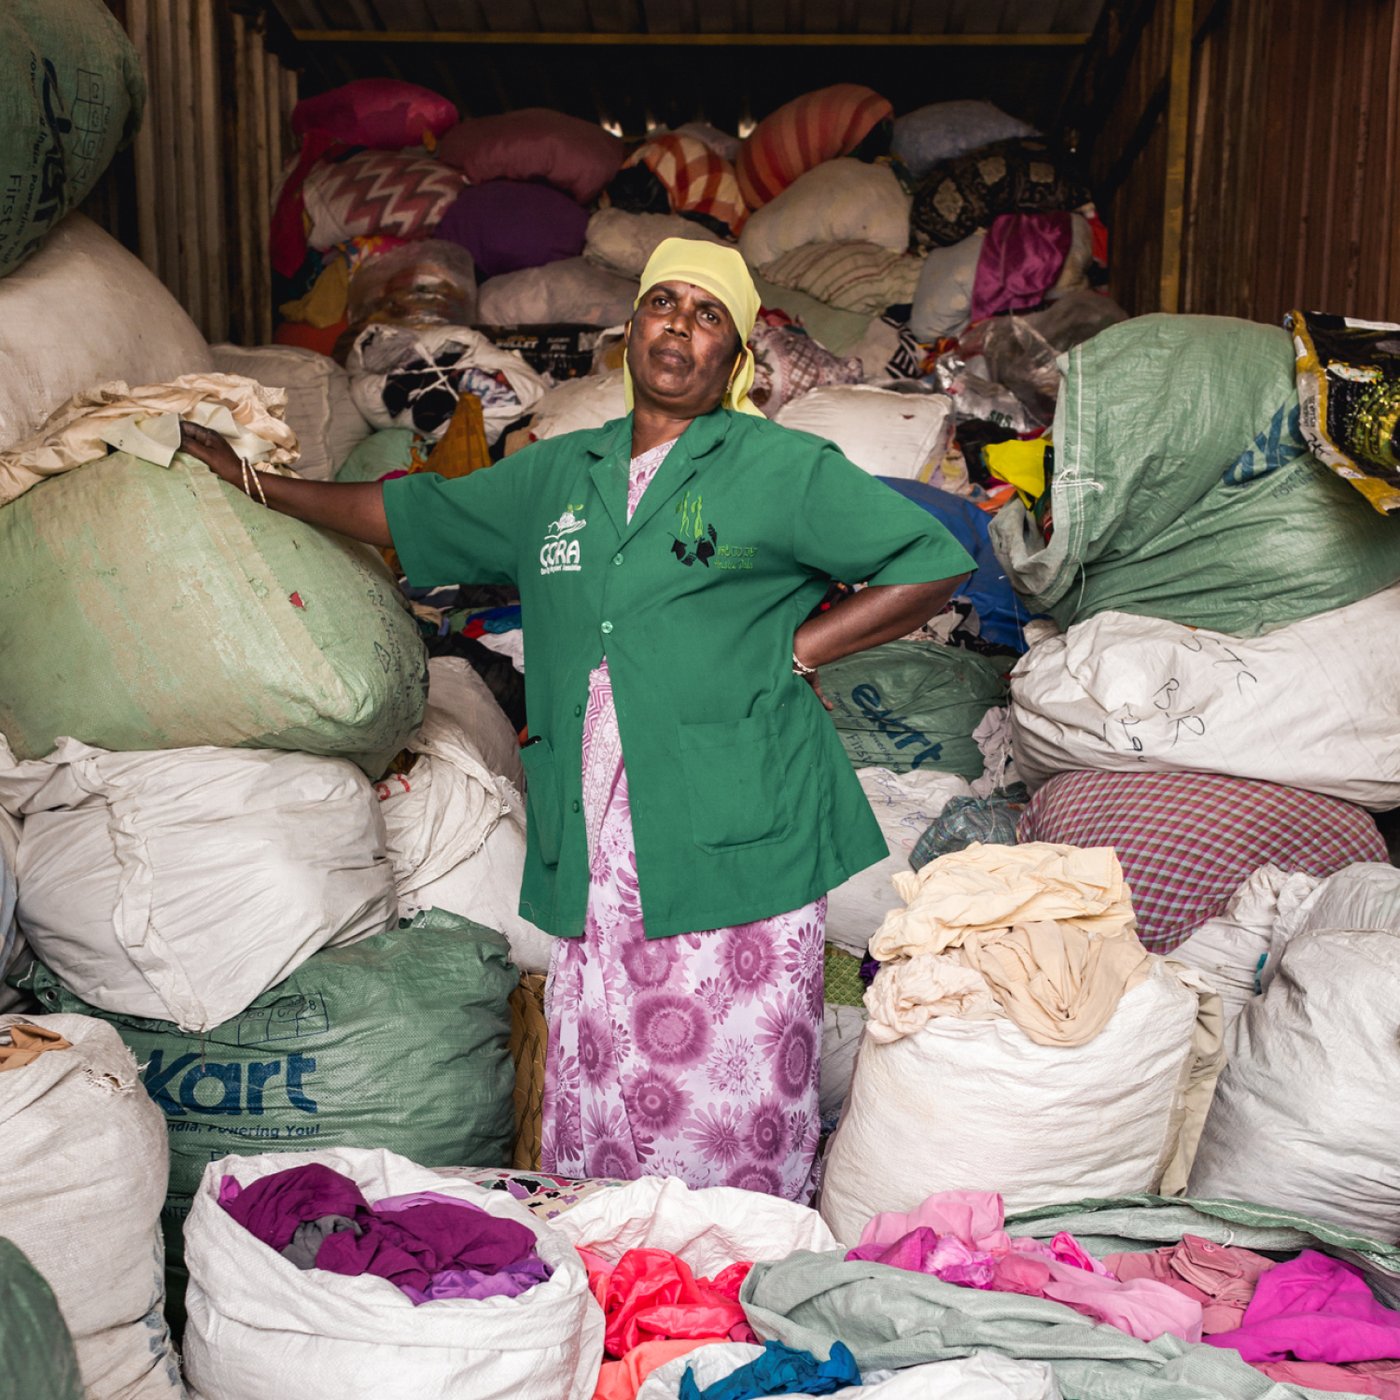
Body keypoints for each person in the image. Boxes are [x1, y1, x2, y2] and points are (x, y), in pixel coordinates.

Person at [180, 239, 974, 1202]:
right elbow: (411, 514)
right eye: (662, 303)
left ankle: (727, 1266)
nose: (679, 324)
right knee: (606, 1063)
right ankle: (614, 1265)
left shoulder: (778, 466)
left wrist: (799, 650)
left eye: (707, 313)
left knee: (728, 1081)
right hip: (595, 835)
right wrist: (257, 484)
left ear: (734, 358)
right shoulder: (559, 474)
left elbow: (930, 558)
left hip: (736, 822)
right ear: (630, 327)